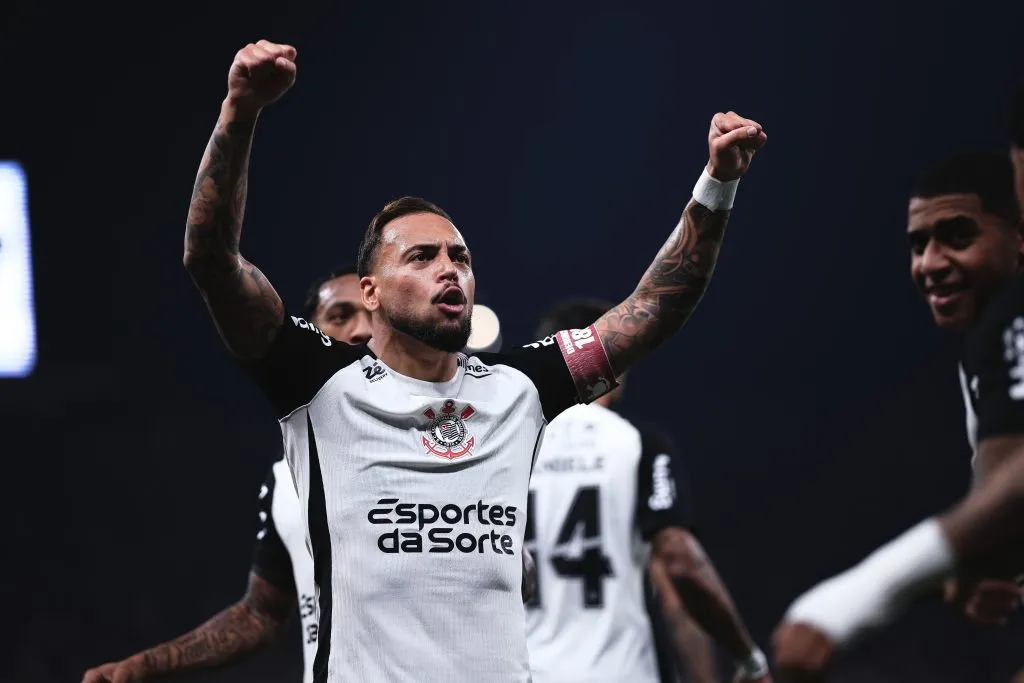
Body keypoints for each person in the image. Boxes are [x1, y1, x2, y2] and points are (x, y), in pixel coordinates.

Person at [181, 39, 766, 683]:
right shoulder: (319, 383)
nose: (450, 270)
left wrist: (718, 185)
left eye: (459, 257)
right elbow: (212, 261)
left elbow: (654, 307)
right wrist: (240, 110)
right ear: (369, 293)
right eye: (421, 257)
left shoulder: (520, 388)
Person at [772, 150, 1024, 681]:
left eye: (958, 236)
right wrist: (969, 574)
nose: (929, 263)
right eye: (918, 244)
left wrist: (851, 602)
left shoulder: (1010, 318)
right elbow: (1001, 509)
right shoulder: (985, 346)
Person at [82, 268, 372, 683]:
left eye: (373, 316)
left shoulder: (456, 440)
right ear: (310, 334)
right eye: (341, 315)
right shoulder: (287, 478)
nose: (362, 330)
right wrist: (143, 665)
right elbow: (262, 613)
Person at [525, 299, 772, 683]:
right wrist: (747, 657)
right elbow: (678, 563)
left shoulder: (511, 446)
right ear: (614, 360)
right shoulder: (636, 443)